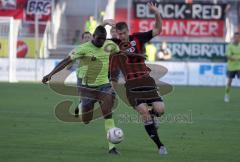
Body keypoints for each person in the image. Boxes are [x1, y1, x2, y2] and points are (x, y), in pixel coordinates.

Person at [42, 26, 121, 155]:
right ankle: (81, 106)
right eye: (99, 39)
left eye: (103, 39)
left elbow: (120, 53)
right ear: (94, 37)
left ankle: (112, 147)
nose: (101, 42)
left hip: (104, 85)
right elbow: (66, 61)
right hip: (87, 88)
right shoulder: (83, 48)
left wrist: (135, 56)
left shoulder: (109, 45)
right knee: (86, 120)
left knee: (108, 113)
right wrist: (50, 74)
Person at [109, 2, 168, 155]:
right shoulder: (114, 45)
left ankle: (155, 116)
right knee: (144, 112)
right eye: (118, 34)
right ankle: (160, 146)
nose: (121, 37)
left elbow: (158, 29)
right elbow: (96, 39)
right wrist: (105, 23)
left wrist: (156, 13)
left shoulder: (139, 38)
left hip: (146, 81)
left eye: (123, 34)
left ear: (127, 31)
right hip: (131, 86)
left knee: (160, 110)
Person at [74, 31, 92, 116]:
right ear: (82, 39)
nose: (87, 39)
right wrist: (69, 65)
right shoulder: (79, 49)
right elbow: (72, 58)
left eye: (89, 37)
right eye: (85, 37)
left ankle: (81, 108)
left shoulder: (95, 49)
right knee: (83, 95)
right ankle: (81, 107)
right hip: (80, 76)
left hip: (91, 76)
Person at [224, 32, 240, 102]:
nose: (237, 39)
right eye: (235, 37)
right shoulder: (230, 46)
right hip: (231, 67)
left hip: (239, 67)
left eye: (238, 37)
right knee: (229, 82)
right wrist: (236, 58)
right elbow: (228, 56)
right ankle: (227, 95)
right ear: (233, 38)